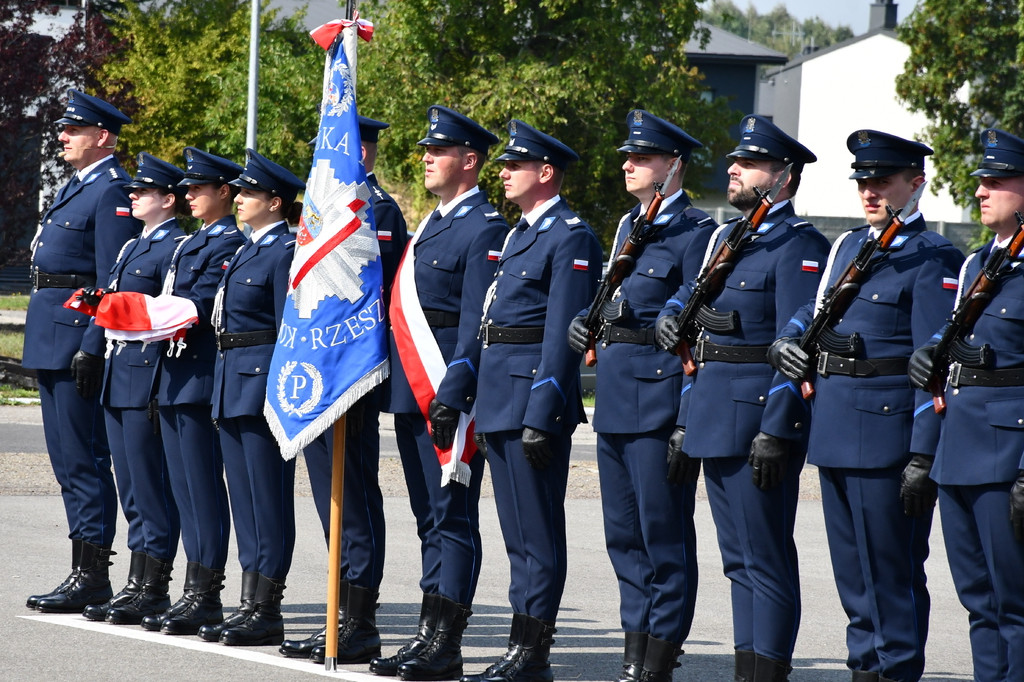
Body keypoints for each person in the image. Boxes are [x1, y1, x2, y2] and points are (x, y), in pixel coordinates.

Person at [769, 131, 963, 682]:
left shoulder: (933, 258)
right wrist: (792, 332)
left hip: (886, 440)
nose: (871, 192)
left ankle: (897, 670)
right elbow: (817, 304)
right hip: (835, 429)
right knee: (853, 581)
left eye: (884, 182)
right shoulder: (848, 247)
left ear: (916, 183)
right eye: (864, 182)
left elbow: (934, 365)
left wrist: (922, 455)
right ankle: (863, 671)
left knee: (892, 577)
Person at [654, 114, 830, 682]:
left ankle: (768, 671)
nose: (733, 169)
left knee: (766, 558)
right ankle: (745, 669)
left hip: (756, 418)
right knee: (736, 561)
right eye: (736, 160)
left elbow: (791, 346)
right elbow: (688, 316)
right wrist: (671, 319)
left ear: (783, 177)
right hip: (711, 410)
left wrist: (777, 428)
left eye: (749, 163)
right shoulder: (726, 238)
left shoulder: (799, 246)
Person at [566, 110, 716, 682]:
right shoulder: (631, 225)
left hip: (659, 397)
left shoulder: (696, 233)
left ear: (672, 165)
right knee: (622, 533)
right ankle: (636, 645)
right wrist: (589, 318)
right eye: (629, 156)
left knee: (663, 531)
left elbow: (688, 318)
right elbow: (614, 296)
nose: (628, 165)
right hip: (617, 395)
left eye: (643, 158)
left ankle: (662, 648)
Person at [363, 105, 507, 680]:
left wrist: (454, 391)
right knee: (429, 518)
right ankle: (428, 633)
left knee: (452, 517)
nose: (425, 156)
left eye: (438, 150)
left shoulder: (485, 227)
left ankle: (447, 643)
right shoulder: (432, 223)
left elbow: (475, 322)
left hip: (446, 397)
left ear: (468, 161)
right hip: (412, 394)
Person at [465, 120, 602, 682]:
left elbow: (563, 333)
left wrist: (543, 413)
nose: (503, 173)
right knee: (516, 535)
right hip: (500, 397)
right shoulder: (520, 233)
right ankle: (521, 646)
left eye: (513, 166)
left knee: (537, 533)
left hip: (530, 404)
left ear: (546, 173)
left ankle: (533, 652)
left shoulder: (570, 235)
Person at [279, 116, 409, 664]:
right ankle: (340, 613)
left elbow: (380, 303)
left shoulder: (376, 212)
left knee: (352, 499)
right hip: (317, 375)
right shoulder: (318, 214)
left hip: (350, 376)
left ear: (360, 154)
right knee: (327, 501)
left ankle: (359, 620)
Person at [908, 128, 1024, 682]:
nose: (981, 191)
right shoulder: (979, 265)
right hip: (959, 454)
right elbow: (949, 371)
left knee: (1016, 604)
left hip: (1008, 458)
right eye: (980, 181)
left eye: (996, 181)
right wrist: (927, 455)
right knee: (978, 601)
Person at [25, 89, 142, 613]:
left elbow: (109, 278)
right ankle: (82, 568)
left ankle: (92, 574)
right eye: (64, 130)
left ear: (103, 137)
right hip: (51, 334)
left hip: (76, 337)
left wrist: (93, 346)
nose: (62, 137)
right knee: (66, 458)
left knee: (85, 458)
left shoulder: (111, 190)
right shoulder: (78, 186)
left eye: (73, 130)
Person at [199, 148, 305, 646]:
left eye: (249, 193)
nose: (239, 198)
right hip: (231, 379)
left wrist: (282, 393)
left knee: (268, 499)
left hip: (261, 383)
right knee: (243, 499)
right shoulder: (247, 248)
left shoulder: (283, 251)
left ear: (276, 202)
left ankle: (268, 606)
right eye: (239, 191)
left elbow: (288, 329)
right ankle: (248, 602)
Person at [138, 148, 245, 635]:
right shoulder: (193, 242)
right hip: (176, 373)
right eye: (188, 189)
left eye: (199, 188)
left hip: (200, 377)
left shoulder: (227, 242)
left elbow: (196, 304)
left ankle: (206, 594)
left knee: (202, 489)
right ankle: (191, 589)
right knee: (183, 489)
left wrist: (135, 313)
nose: (189, 196)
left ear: (225, 192)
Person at [86, 153, 190, 626]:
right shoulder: (131, 247)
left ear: (167, 200)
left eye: (143, 192)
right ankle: (136, 579)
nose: (133, 197)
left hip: (147, 373)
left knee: (150, 485)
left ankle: (154, 585)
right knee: (129, 484)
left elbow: (166, 313)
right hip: (118, 370)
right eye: (133, 191)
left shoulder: (175, 245)